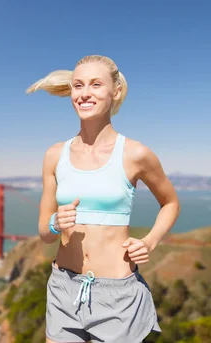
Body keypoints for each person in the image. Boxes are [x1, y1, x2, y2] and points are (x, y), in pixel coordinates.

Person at [27, 55, 181, 343]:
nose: (84, 93)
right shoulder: (54, 155)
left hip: (117, 297)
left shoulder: (136, 154)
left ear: (116, 92)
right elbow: (44, 235)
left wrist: (149, 241)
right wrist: (55, 222)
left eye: (96, 85)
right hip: (63, 287)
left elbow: (171, 203)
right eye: (78, 85)